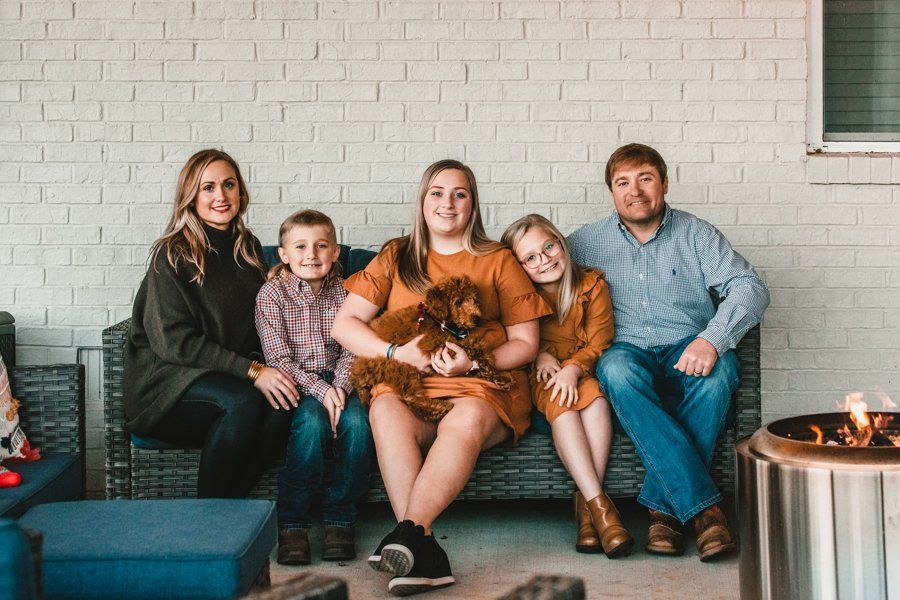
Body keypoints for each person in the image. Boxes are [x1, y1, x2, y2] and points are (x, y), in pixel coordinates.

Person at [332, 159, 550, 596]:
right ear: (422, 200)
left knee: (465, 416)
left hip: (478, 385)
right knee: (384, 409)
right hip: (411, 385)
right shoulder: (398, 254)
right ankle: (423, 551)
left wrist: (470, 364)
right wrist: (397, 352)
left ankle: (409, 537)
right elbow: (345, 325)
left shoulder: (498, 259)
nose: (447, 203)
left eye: (459, 193)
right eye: (437, 192)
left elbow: (526, 342)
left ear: (472, 205)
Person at [568, 143, 770, 562]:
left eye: (645, 178)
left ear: (664, 183)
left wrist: (711, 339)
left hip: (686, 348)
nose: (635, 190)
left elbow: (750, 288)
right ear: (611, 191)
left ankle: (665, 510)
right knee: (617, 370)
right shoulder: (584, 243)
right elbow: (535, 279)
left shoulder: (697, 234)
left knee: (721, 371)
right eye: (623, 182)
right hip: (627, 351)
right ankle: (706, 511)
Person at [123, 149, 299, 498]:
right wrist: (252, 371)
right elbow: (175, 342)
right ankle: (209, 521)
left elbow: (255, 325)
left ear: (240, 192)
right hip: (167, 386)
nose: (221, 196)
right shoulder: (172, 253)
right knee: (242, 402)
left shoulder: (245, 248)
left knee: (285, 402)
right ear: (191, 196)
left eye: (228, 185)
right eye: (208, 187)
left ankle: (228, 512)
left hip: (223, 376)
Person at [501, 214, 633, 558]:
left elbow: (600, 340)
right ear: (519, 266)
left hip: (581, 369)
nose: (544, 260)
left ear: (562, 243)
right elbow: (508, 338)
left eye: (549, 247)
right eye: (530, 258)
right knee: (564, 406)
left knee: (597, 402)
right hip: (542, 375)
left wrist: (573, 369)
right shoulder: (517, 297)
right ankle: (602, 511)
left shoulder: (591, 284)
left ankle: (588, 510)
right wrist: (540, 355)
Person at [255, 210, 372, 566]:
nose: (312, 255)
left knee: (358, 426)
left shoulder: (348, 290)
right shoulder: (272, 294)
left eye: (321, 246)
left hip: (344, 381)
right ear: (284, 254)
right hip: (298, 383)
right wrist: (322, 392)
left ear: (335, 252)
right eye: (301, 246)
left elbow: (355, 345)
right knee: (312, 427)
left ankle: (340, 519)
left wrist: (339, 387)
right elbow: (277, 358)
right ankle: (293, 523)